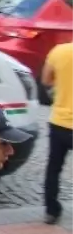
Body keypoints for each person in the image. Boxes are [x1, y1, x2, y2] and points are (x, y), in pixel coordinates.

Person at [41, 41, 73, 224]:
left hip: (59, 122)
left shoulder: (58, 51)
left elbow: (46, 80)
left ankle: (51, 210)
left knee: (54, 167)